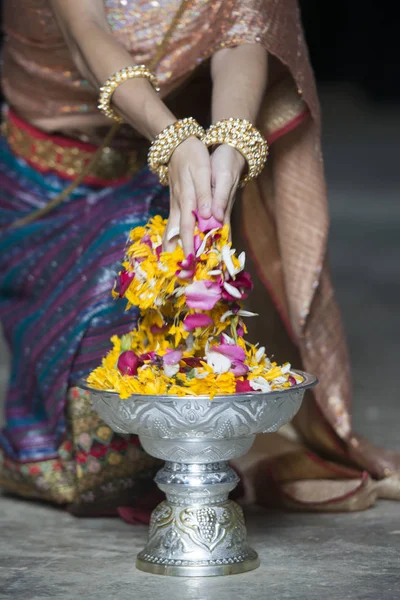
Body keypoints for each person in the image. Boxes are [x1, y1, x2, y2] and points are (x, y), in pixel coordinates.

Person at [0, 0, 398, 521]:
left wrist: (229, 145)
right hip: (49, 176)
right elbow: (86, 32)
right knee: (103, 423)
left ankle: (232, 448)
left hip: (171, 166)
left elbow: (245, 31)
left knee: (186, 278)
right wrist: (174, 139)